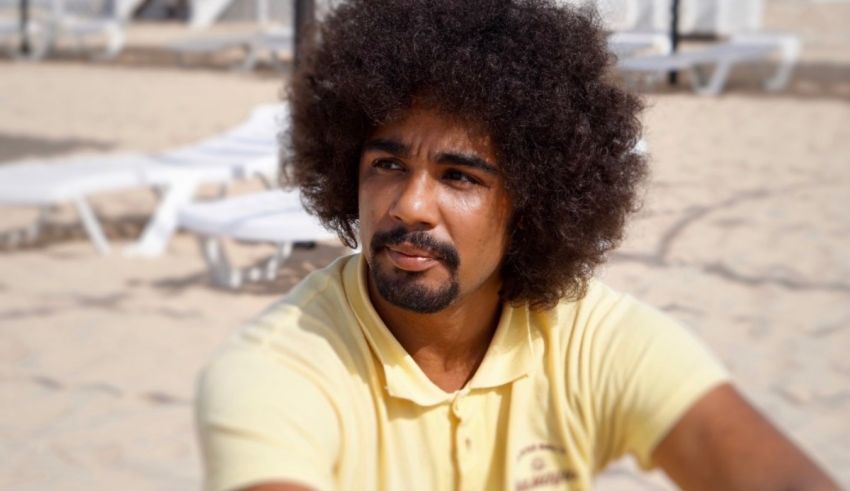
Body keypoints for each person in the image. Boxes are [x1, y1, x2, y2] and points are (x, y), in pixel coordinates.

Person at [195, 1, 840, 490]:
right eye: (387, 165)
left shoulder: (585, 337)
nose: (411, 206)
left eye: (460, 177)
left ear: (532, 204)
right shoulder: (276, 370)